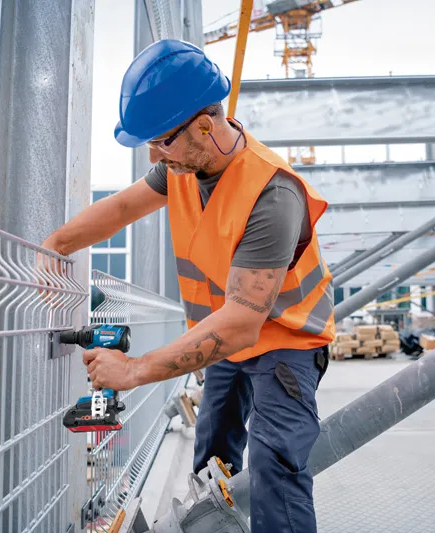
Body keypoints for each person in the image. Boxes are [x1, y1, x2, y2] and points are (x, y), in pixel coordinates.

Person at [42, 39, 335, 533]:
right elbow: (120, 209)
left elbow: (243, 323)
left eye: (162, 140)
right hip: (227, 339)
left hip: (286, 341)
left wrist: (135, 370)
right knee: (213, 457)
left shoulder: (272, 193)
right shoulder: (182, 164)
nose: (155, 154)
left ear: (205, 121)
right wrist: (55, 245)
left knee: (275, 467)